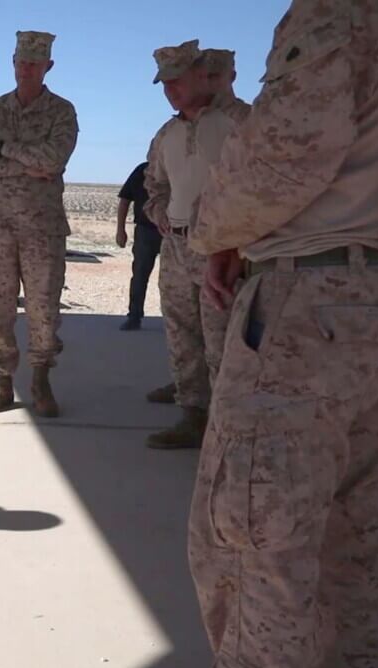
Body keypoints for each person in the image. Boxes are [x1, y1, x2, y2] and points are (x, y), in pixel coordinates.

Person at [187, 0, 378, 668]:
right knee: (354, 537)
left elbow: (287, 151)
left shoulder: (340, 10)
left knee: (254, 540)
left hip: (310, 307)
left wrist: (215, 231)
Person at [0, 30, 79, 418]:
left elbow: (54, 159)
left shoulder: (62, 112)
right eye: (20, 62)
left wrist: (6, 150)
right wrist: (29, 165)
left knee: (44, 307)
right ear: (12, 64)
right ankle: (2, 383)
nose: (26, 69)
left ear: (48, 66)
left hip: (41, 229)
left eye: (34, 63)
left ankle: (41, 379)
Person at [142, 40, 238, 450]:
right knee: (181, 333)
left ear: (201, 76)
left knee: (222, 340)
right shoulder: (167, 133)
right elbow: (154, 185)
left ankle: (226, 424)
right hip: (176, 248)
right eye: (165, 83)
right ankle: (193, 414)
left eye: (178, 80)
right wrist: (158, 210)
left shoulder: (241, 122)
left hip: (224, 250)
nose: (171, 90)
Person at [115, 161, 162, 331]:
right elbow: (125, 200)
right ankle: (134, 316)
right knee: (140, 275)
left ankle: (175, 319)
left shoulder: (177, 167)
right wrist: (120, 229)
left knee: (171, 279)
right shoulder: (142, 171)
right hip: (146, 231)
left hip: (172, 232)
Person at [202, 48, 252, 123]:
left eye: (213, 76)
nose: (206, 82)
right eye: (201, 77)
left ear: (232, 76)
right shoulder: (191, 119)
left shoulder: (251, 116)